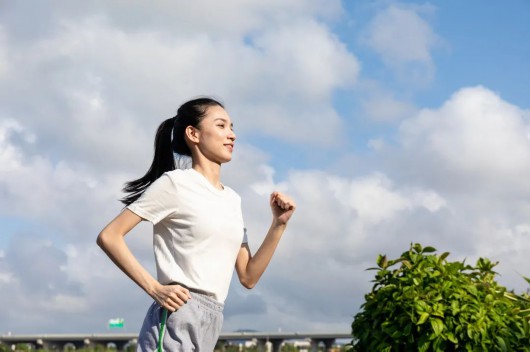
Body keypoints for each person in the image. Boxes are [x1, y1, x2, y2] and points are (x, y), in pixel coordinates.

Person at [96, 97, 296, 352]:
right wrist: (155, 289)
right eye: (221, 125)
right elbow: (110, 236)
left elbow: (248, 276)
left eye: (232, 127)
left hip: (213, 319)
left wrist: (278, 224)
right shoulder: (175, 184)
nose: (231, 135)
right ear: (193, 134)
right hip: (178, 313)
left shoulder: (232, 200)